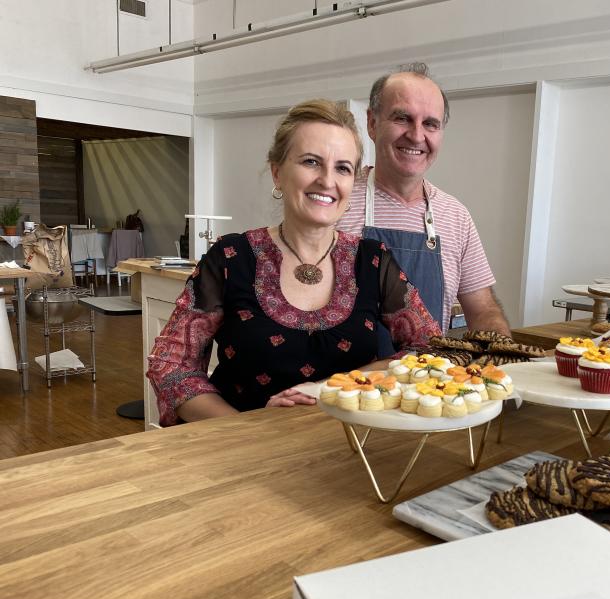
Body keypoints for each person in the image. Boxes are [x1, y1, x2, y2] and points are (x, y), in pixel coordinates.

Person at [147, 100, 441, 426]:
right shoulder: (231, 258)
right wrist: (249, 429)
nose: (327, 180)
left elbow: (428, 351)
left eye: (342, 168)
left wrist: (332, 387)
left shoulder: (373, 261)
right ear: (277, 172)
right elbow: (172, 364)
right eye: (311, 162)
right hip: (242, 453)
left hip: (348, 447)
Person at [336, 62, 511, 339]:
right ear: (372, 123)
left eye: (430, 124)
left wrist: (500, 351)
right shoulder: (335, 203)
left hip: (428, 380)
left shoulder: (455, 216)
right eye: (402, 118)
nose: (417, 136)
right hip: (348, 381)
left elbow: (483, 310)